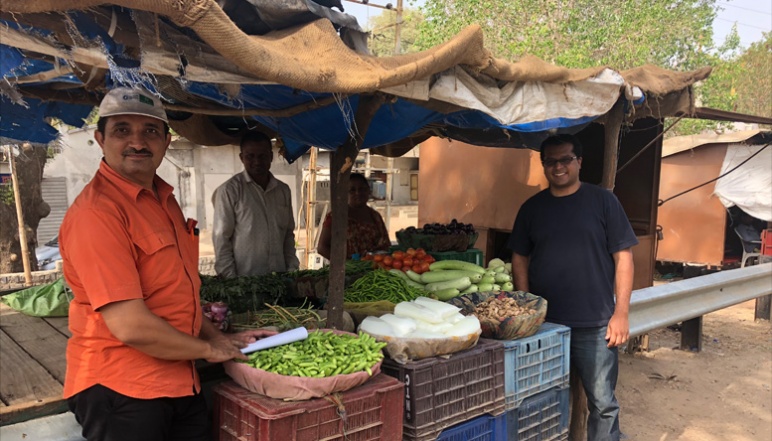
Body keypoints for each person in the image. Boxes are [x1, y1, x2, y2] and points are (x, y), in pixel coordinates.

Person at [59, 87, 274, 441]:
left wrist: (221, 338)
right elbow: (131, 326)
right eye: (122, 130)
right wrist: (210, 349)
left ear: (167, 141)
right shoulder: (97, 214)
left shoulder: (164, 200)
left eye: (150, 131)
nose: (138, 142)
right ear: (100, 139)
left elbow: (177, 298)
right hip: (123, 389)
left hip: (177, 380)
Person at [508, 134, 637, 441]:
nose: (558, 167)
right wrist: (528, 307)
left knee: (603, 404)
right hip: (545, 326)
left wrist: (621, 313)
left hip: (595, 324)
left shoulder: (604, 202)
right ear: (544, 166)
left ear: (579, 162)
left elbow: (624, 258)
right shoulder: (532, 208)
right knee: (545, 401)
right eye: (550, 161)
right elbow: (519, 257)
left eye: (565, 159)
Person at [212, 132, 300, 277]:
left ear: (271, 157)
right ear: (241, 158)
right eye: (250, 156)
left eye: (262, 156)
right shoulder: (229, 190)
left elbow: (288, 236)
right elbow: (221, 238)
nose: (257, 161)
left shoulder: (283, 191)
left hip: (280, 281)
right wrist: (232, 282)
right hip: (245, 283)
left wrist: (291, 271)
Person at [317, 173, 391, 260]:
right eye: (352, 190)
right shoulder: (336, 217)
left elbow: (386, 245)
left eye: (362, 189)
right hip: (347, 271)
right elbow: (322, 248)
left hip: (374, 269)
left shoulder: (375, 216)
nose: (358, 193)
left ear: (368, 191)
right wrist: (345, 264)